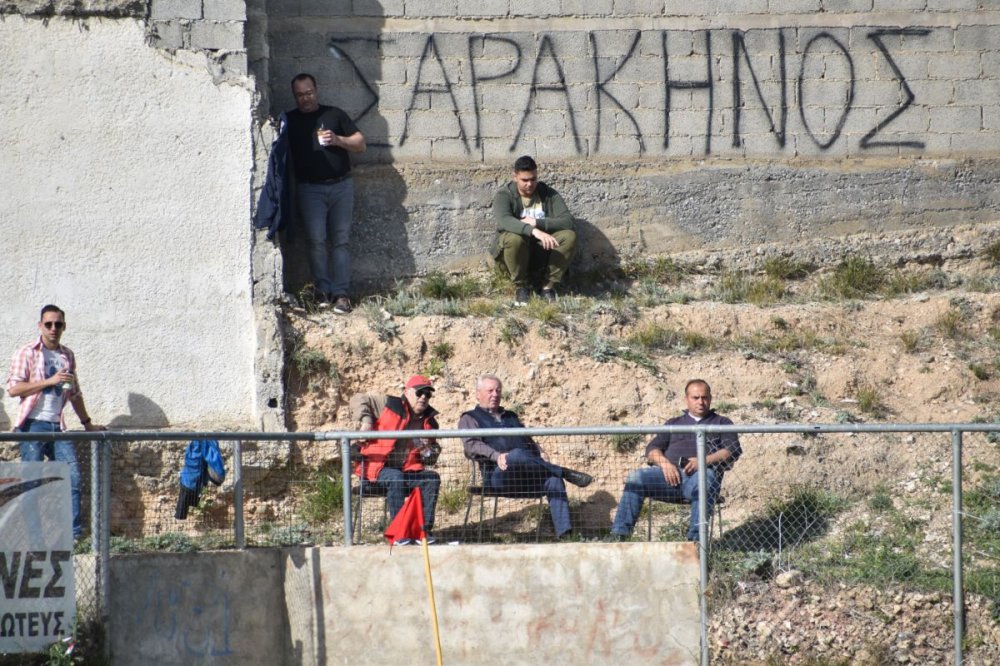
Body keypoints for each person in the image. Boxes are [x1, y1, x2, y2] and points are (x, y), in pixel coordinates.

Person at [7, 305, 105, 539]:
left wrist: (87, 423)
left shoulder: (67, 356)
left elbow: (73, 393)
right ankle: (34, 538)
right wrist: (50, 380)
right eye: (49, 324)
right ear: (40, 325)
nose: (53, 329)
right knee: (31, 483)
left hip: (57, 426)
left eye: (58, 324)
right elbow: (14, 389)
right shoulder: (28, 353)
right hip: (32, 424)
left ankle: (74, 536)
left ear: (64, 327)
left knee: (72, 478)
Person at [459, 374, 592, 539]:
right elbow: (471, 445)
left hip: (527, 477)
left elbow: (528, 439)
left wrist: (540, 451)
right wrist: (495, 455)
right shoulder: (469, 418)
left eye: (498, 391)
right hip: (498, 476)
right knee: (514, 456)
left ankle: (565, 535)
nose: (495, 394)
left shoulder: (511, 416)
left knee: (553, 480)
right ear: (478, 394)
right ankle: (563, 471)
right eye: (490, 391)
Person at [610, 379, 741, 542]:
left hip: (700, 479)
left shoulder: (722, 422)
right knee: (636, 477)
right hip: (667, 479)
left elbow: (732, 450)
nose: (701, 401)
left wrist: (703, 461)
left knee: (705, 478)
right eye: (695, 397)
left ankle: (696, 542)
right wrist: (665, 465)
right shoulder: (674, 423)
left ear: (710, 398)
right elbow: (652, 450)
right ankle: (619, 536)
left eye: (704, 397)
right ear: (686, 399)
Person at [287, 72, 366, 313]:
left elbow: (360, 144)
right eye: (300, 95)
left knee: (341, 241)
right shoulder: (289, 120)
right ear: (295, 96)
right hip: (309, 189)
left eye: (309, 93)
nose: (305, 98)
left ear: (317, 91)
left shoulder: (334, 114)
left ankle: (341, 295)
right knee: (316, 241)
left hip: (341, 186)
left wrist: (338, 140)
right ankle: (323, 291)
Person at [350, 375, 441, 542]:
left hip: (407, 471)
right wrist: (367, 422)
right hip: (375, 471)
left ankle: (424, 532)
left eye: (428, 394)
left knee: (432, 478)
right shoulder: (389, 404)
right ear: (407, 392)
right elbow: (358, 398)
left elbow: (431, 457)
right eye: (420, 392)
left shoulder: (430, 422)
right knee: (395, 477)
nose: (423, 397)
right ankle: (400, 533)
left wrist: (428, 451)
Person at [492, 155, 577, 306]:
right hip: (514, 255)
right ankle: (521, 286)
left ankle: (547, 287)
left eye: (533, 179)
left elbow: (568, 221)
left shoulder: (547, 193)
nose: (530, 184)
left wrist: (537, 222)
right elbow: (504, 221)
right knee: (513, 238)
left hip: (540, 252)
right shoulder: (504, 195)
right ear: (515, 177)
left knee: (569, 236)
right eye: (525, 180)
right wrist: (533, 230)